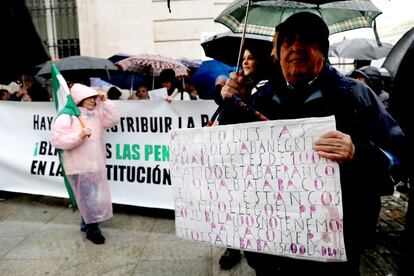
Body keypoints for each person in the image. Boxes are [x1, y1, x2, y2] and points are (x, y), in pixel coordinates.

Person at [220, 12, 403, 276]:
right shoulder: (259, 99)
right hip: (272, 252)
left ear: (324, 51)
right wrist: (231, 106)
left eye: (307, 40)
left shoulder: (356, 96)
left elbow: (399, 156)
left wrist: (358, 153)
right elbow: (230, 157)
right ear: (277, 53)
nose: (296, 47)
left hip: (335, 252)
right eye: (287, 42)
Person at [217, 42, 272, 269]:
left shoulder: (269, 88)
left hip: (260, 164)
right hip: (236, 158)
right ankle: (232, 246)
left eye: (251, 57)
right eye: (244, 58)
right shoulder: (237, 85)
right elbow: (227, 123)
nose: (245, 62)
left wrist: (241, 101)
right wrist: (226, 98)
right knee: (232, 204)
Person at [50, 83, 120, 244]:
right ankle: (92, 229)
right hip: (78, 165)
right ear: (78, 99)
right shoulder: (66, 116)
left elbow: (113, 120)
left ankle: (86, 222)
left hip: (95, 163)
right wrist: (80, 135)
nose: (92, 101)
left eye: (93, 98)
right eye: (88, 98)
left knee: (90, 197)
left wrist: (106, 101)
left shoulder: (95, 114)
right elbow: (58, 140)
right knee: (88, 198)